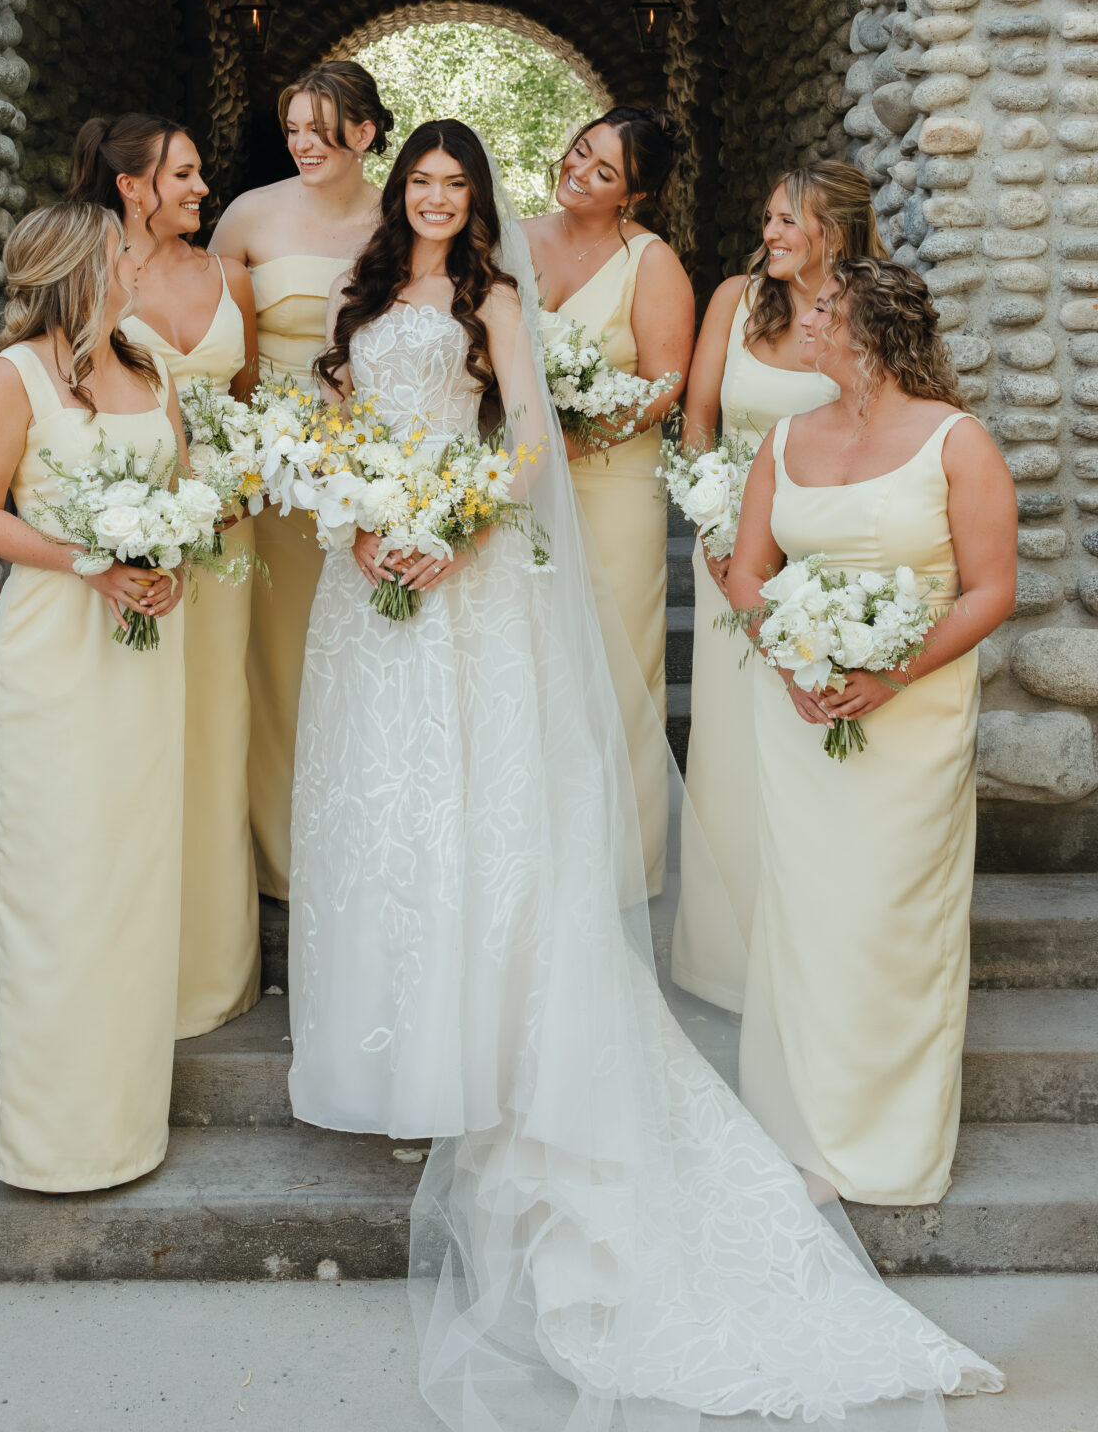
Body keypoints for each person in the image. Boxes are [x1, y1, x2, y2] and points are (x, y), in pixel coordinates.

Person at [287, 123, 1002, 1428]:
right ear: (400, 193)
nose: (438, 198)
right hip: (365, 572)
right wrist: (361, 516)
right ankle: (385, 1043)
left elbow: (523, 436)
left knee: (473, 807)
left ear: (471, 197)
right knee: (379, 812)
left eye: (456, 182)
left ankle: (479, 1035)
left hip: (462, 558)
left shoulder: (496, 297)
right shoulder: (366, 294)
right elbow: (333, 422)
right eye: (422, 183)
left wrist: (443, 524)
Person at [728, 256, 1017, 1207]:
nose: (805, 326)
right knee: (808, 918)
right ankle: (797, 1121)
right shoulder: (785, 437)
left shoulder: (956, 442)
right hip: (801, 715)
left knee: (888, 921)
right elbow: (748, 571)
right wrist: (794, 664)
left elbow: (990, 590)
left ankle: (886, 1144)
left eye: (823, 314)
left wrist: (889, 674)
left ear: (875, 332)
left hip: (913, 716)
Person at [0, 201, 186, 1191]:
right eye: (123, 248)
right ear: (82, 267)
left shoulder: (152, 364)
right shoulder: (12, 376)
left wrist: (171, 555)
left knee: (131, 881)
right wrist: (88, 560)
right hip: (54, 647)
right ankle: (52, 1142)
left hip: (144, 650)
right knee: (57, 881)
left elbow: (182, 482)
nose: (139, 257)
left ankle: (128, 1123)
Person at [671, 162, 884, 1012]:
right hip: (730, 558)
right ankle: (729, 962)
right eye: (768, 219)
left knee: (812, 753)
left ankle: (820, 954)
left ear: (837, 230)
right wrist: (718, 537)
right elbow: (697, 422)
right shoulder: (734, 299)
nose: (771, 235)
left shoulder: (872, 308)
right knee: (732, 757)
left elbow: (890, 428)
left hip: (825, 564)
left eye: (789, 222)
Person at [68, 114, 262, 1039]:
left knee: (217, 733)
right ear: (132, 186)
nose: (199, 188)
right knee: (136, 743)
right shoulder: (87, 271)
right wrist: (124, 525)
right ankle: (124, 962)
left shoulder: (233, 277)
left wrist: (239, 485)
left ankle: (212, 971)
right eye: (182, 175)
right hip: (130, 545)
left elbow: (243, 403)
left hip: (224, 543)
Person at [210, 61, 387, 901]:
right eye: (294, 129)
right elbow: (212, 338)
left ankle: (369, 842)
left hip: (376, 477)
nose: (305, 144)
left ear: (366, 131)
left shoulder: (403, 218)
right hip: (273, 481)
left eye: (322, 127)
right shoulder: (250, 213)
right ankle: (282, 860)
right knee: (278, 660)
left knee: (365, 661)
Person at [523, 106, 694, 891]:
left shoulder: (649, 262)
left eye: (604, 173)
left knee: (619, 665)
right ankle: (532, 850)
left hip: (612, 482)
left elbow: (663, 387)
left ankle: (621, 863)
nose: (579, 173)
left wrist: (573, 442)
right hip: (522, 483)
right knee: (530, 662)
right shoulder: (515, 237)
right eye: (578, 150)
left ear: (635, 195)